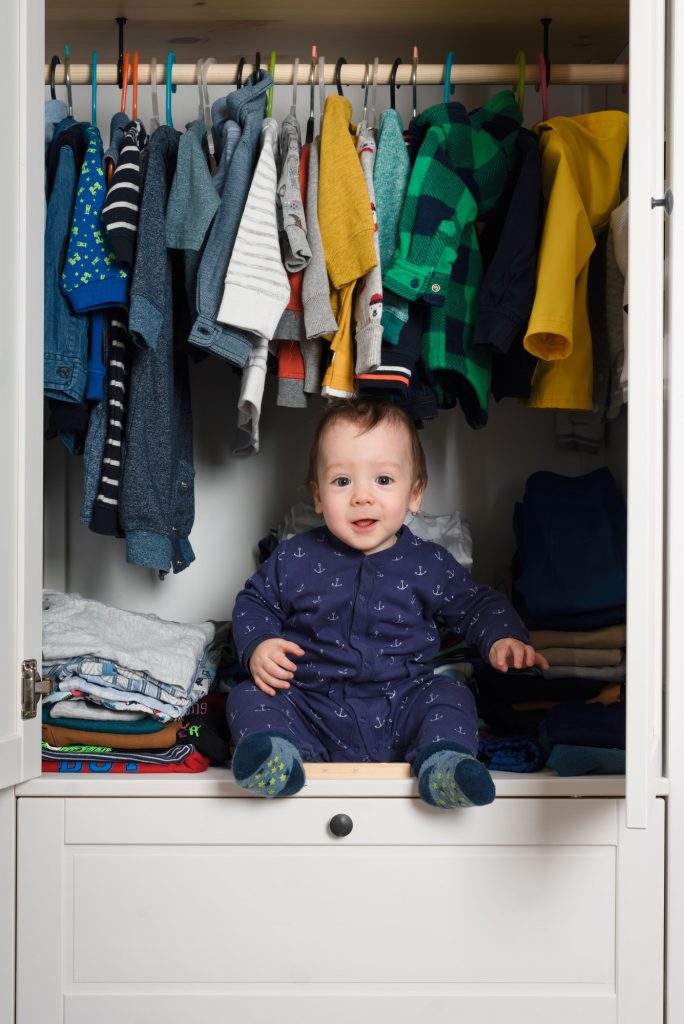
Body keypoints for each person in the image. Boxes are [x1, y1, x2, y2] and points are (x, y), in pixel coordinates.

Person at [228, 398, 548, 809]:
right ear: (319, 496)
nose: (362, 497)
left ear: (414, 494)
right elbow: (254, 602)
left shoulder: (429, 563)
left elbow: (476, 604)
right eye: (342, 482)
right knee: (248, 695)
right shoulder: (296, 557)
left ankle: (444, 763)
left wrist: (504, 636)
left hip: (402, 706)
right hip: (310, 704)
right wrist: (260, 645)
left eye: (383, 480)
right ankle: (278, 757)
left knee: (451, 694)